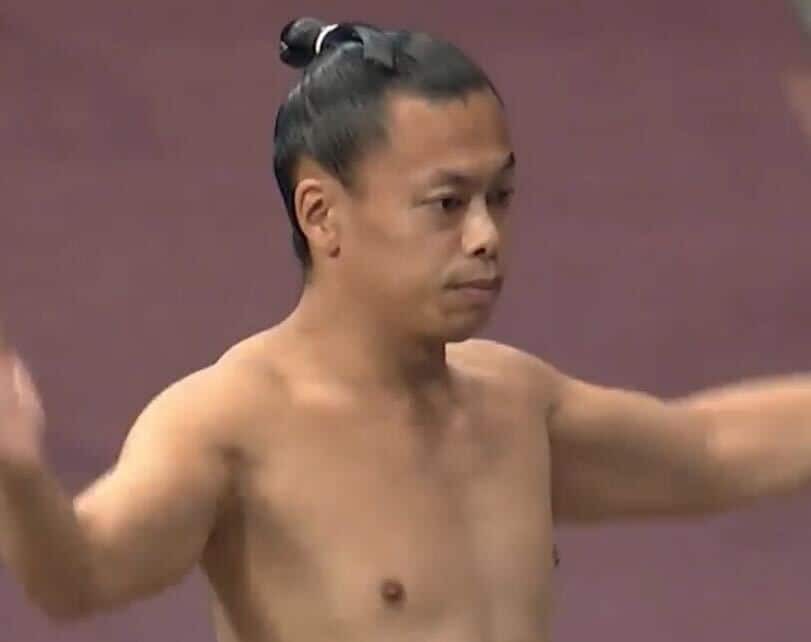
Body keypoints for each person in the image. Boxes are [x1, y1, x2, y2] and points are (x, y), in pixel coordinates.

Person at [1, 17, 810, 642]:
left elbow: (713, 448)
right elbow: (82, 574)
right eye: (446, 203)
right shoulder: (229, 425)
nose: (485, 236)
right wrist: (21, 479)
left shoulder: (512, 403)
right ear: (321, 213)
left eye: (499, 197)